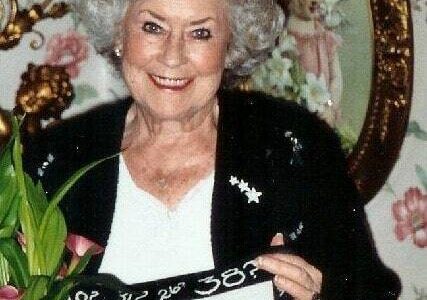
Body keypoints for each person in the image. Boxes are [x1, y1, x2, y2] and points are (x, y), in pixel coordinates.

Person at [24, 0, 400, 299]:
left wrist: (321, 295)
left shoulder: (291, 149)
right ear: (120, 35)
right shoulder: (55, 158)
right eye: (153, 27)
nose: (173, 56)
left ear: (230, 46)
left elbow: (369, 288)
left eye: (200, 33)